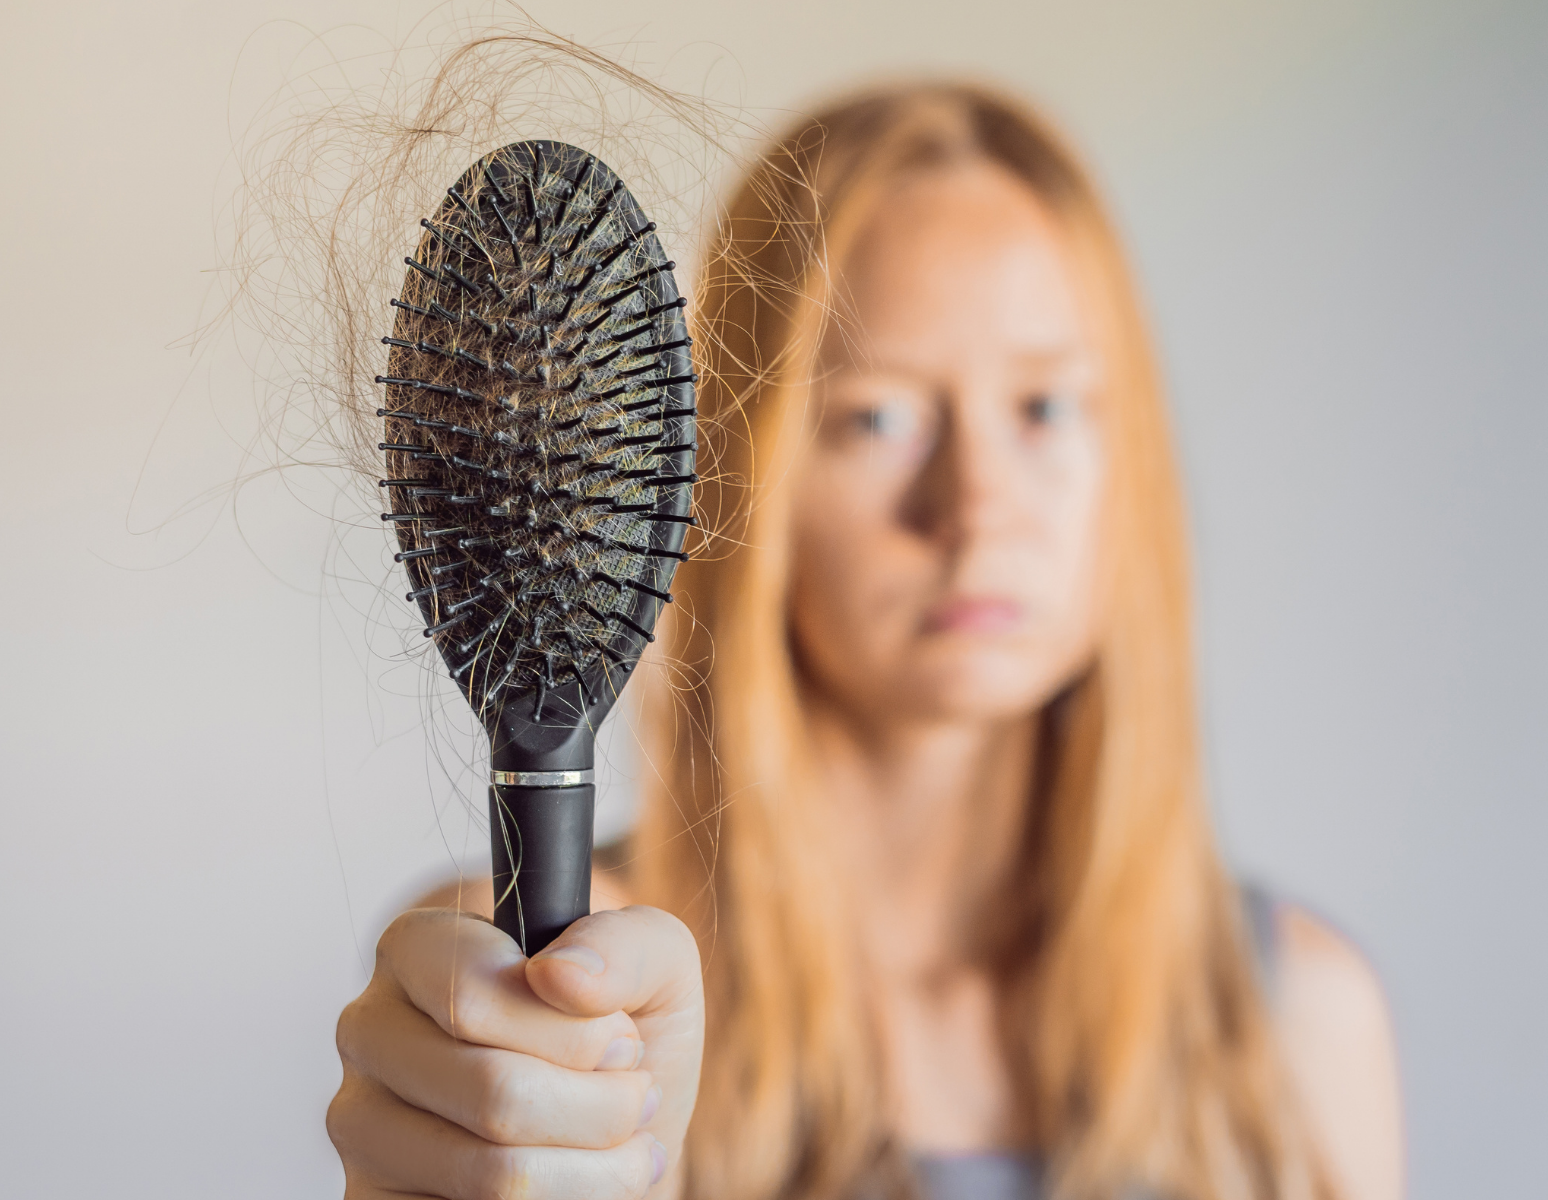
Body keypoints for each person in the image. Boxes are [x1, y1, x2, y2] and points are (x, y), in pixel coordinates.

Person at [326, 83, 1404, 1200]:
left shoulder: (1301, 1022)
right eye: (878, 417)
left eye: (1045, 408)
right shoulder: (542, 992)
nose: (977, 505)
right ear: (736, 478)